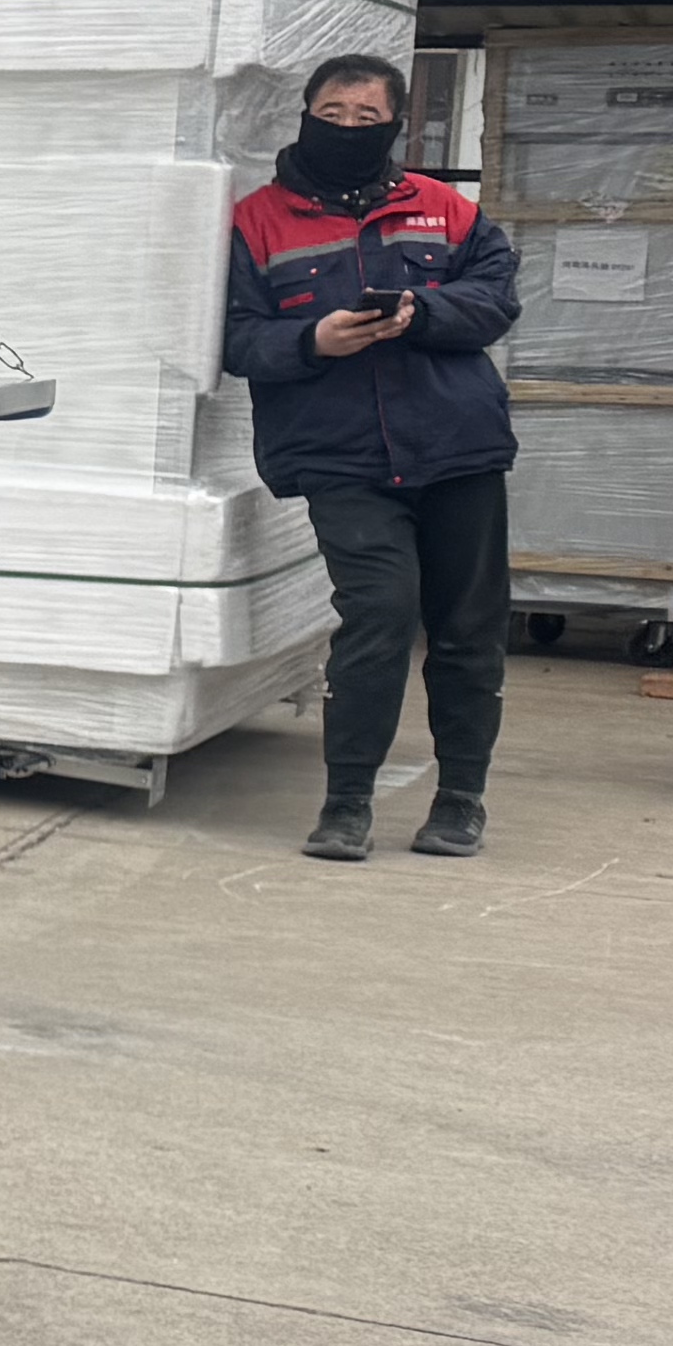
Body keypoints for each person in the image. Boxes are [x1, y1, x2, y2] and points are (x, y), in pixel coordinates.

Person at [223, 51, 518, 860]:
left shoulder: (445, 210)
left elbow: (497, 297)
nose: (349, 127)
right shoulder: (257, 220)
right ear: (306, 112)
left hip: (457, 448)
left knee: (466, 627)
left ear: (394, 124)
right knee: (381, 613)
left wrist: (423, 310)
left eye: (367, 117)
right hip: (341, 456)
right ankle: (347, 801)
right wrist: (311, 340)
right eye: (333, 113)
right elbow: (236, 337)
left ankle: (460, 798)